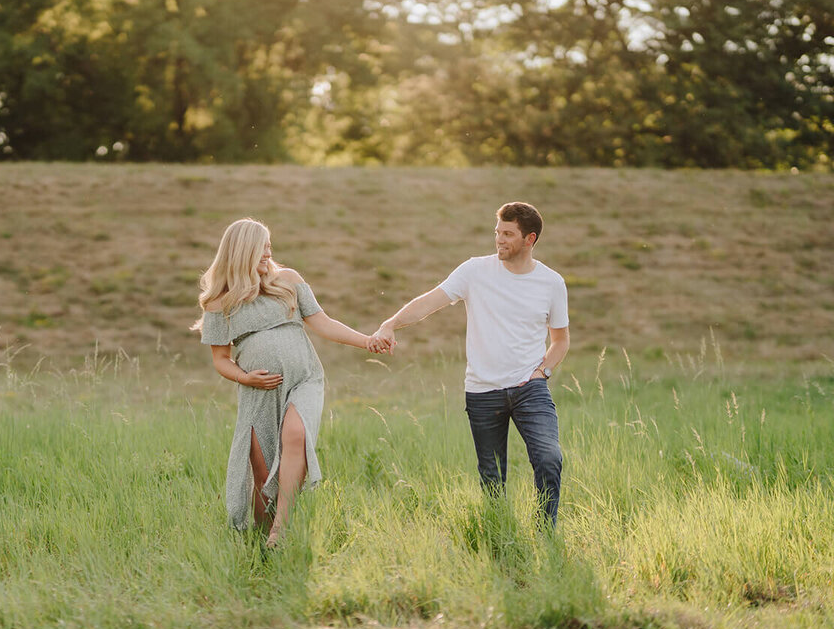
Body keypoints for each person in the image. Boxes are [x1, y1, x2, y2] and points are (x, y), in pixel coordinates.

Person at [371, 202, 570, 525]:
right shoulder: (475, 271)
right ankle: (500, 540)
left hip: (529, 389)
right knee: (492, 477)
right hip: (483, 392)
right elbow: (429, 302)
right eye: (497, 232)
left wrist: (542, 371)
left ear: (529, 239)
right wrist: (389, 324)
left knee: (549, 458)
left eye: (508, 234)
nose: (499, 240)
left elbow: (561, 341)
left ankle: (545, 533)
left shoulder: (551, 283)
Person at [194, 218, 389, 547]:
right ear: (243, 250)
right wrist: (246, 378)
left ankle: (281, 529)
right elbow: (220, 360)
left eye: (270, 245)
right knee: (261, 468)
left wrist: (367, 340)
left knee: (296, 435)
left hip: (304, 379)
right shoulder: (220, 301)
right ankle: (262, 543)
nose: (269, 251)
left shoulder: (289, 280)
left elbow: (323, 323)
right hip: (259, 390)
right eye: (262, 246)